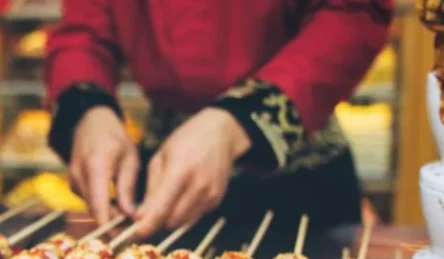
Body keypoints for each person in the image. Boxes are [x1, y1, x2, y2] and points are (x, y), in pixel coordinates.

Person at [46, 0, 393, 239]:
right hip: (161, 180)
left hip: (300, 174)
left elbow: (353, 13)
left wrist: (239, 121)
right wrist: (86, 107)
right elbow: (84, 25)